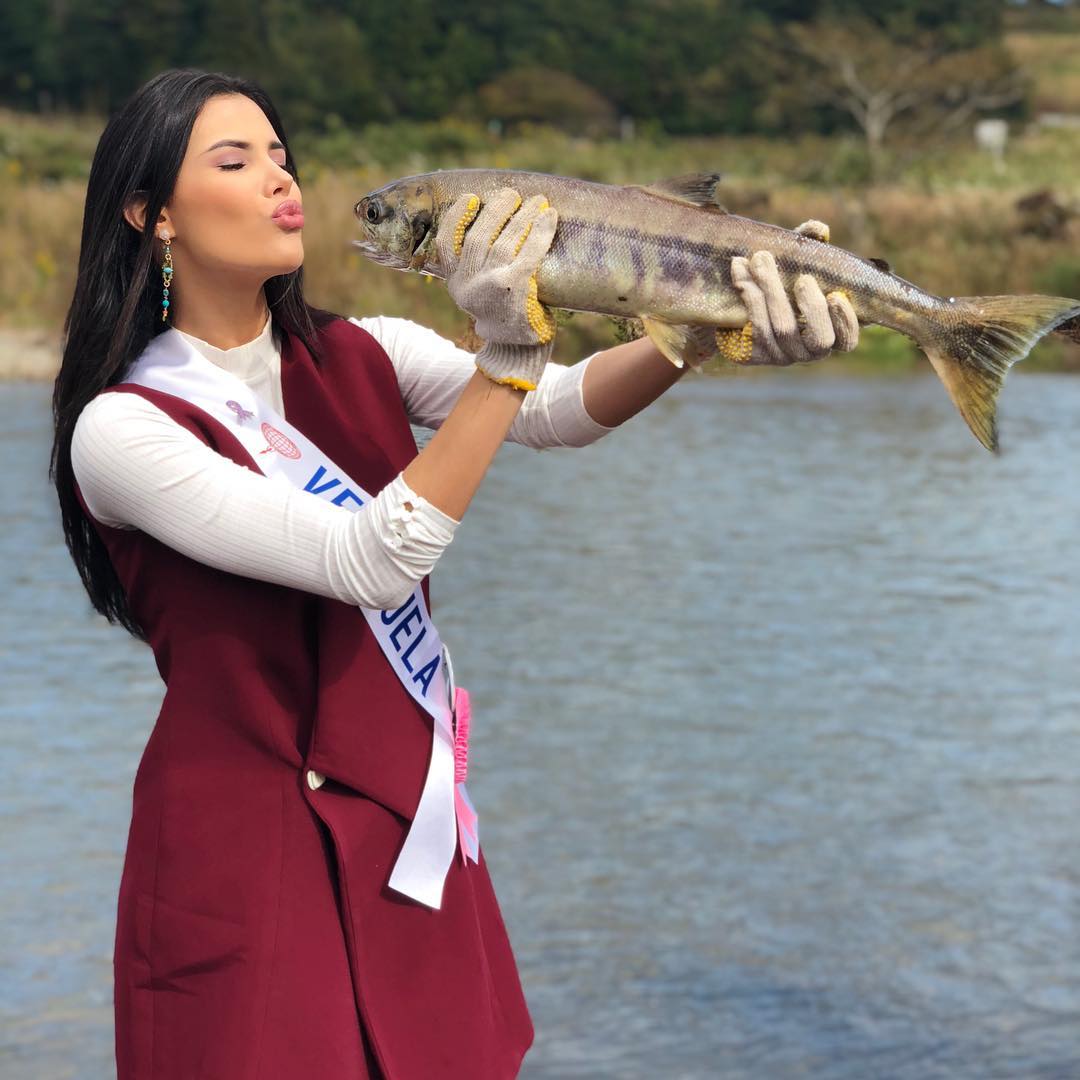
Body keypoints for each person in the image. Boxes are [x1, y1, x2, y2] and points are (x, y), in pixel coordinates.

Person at [49, 68, 860, 1080]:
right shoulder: (121, 430)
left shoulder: (362, 353)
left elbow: (555, 411)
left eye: (281, 155)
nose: (278, 178)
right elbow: (371, 558)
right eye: (235, 160)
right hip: (240, 863)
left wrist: (692, 336)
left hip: (406, 847)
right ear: (149, 213)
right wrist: (505, 350)